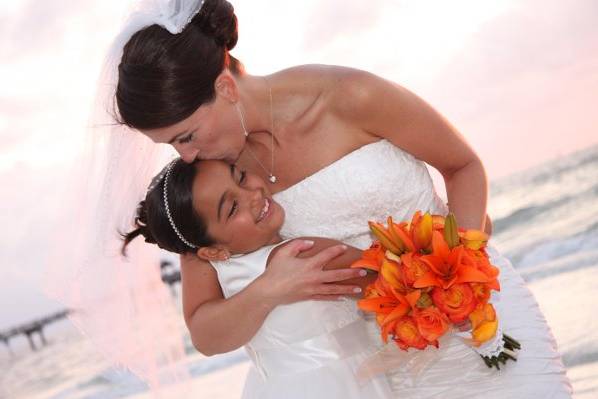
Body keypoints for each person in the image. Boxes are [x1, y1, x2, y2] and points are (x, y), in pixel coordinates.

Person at [78, 0, 571, 396]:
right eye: (172, 146)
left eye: (185, 135)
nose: (185, 156)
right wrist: (270, 288)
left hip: (481, 312)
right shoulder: (212, 184)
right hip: (386, 365)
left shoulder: (348, 96)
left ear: (225, 87)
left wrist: (458, 273)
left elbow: (462, 167)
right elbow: (205, 324)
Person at [122, 157, 396, 397]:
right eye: (232, 208)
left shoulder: (224, 269)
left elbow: (205, 334)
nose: (252, 195)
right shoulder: (301, 255)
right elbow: (392, 281)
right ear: (213, 251)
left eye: (240, 176)